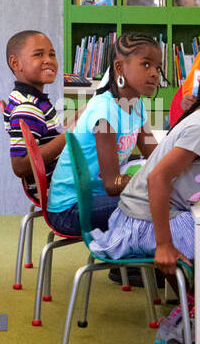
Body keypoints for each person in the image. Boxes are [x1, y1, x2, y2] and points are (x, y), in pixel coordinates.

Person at [90, 49, 200, 344]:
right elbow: (157, 179)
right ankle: (186, 328)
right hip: (142, 225)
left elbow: (181, 176)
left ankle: (186, 321)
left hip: (139, 216)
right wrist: (164, 244)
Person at [47, 30, 162, 236]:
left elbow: (155, 154)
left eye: (157, 67)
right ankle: (129, 266)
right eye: (146, 64)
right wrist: (152, 182)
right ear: (119, 67)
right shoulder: (105, 112)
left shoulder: (136, 105)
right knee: (158, 202)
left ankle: (129, 266)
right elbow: (112, 184)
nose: (154, 73)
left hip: (95, 198)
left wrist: (189, 164)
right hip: (71, 208)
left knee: (166, 196)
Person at [3, 31, 67, 201]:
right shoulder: (27, 107)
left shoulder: (34, 100)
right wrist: (70, 136)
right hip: (58, 188)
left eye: (52, 54)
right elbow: (20, 165)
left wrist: (81, 116)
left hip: (62, 180)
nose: (49, 60)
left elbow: (51, 133)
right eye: (39, 54)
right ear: (15, 63)